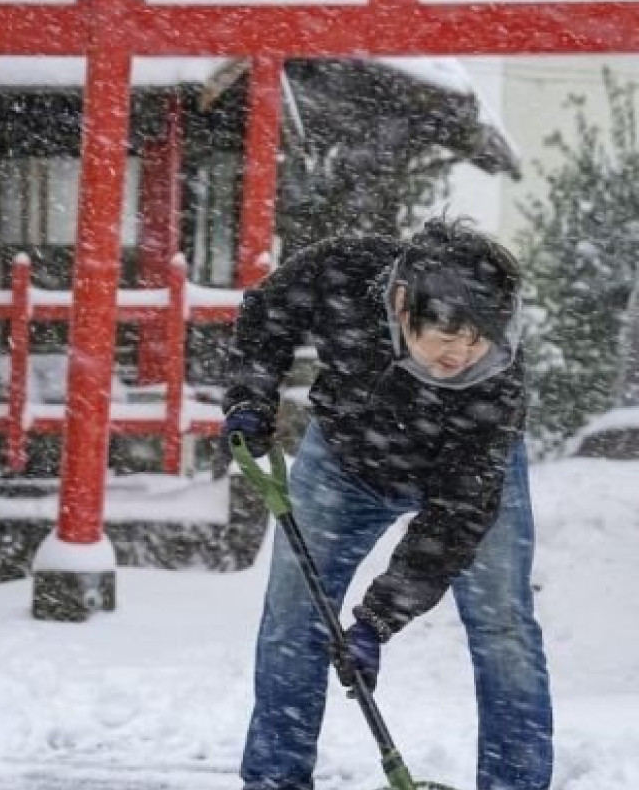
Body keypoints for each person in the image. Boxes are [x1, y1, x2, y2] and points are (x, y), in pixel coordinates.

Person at [223, 219, 553, 790]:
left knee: (504, 627)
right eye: (448, 337)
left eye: (478, 340)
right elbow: (267, 313)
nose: (462, 354)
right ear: (403, 305)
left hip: (461, 473)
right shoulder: (344, 271)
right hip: (345, 461)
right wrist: (252, 396)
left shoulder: (496, 386)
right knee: (292, 620)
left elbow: (458, 514)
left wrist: (377, 619)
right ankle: (275, 781)